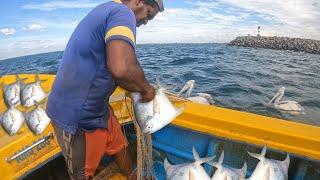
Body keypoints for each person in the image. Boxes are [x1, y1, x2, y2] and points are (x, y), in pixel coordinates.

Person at [46, 0, 164, 179]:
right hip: (77, 117)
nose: (145, 22)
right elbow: (122, 68)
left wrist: (135, 85)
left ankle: (132, 175)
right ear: (138, 1)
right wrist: (147, 90)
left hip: (97, 107)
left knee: (119, 144)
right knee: (82, 174)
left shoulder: (106, 9)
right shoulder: (123, 13)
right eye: (148, 15)